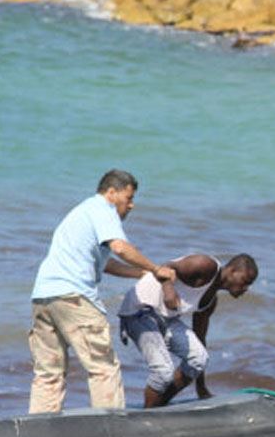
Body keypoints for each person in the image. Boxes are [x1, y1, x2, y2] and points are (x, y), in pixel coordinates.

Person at [27, 170, 173, 414]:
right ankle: (112, 427)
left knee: (48, 372)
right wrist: (156, 268)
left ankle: (38, 428)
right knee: (103, 367)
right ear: (111, 192)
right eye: (129, 198)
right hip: (74, 297)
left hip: (43, 296)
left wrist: (143, 274)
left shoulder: (82, 213)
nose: (132, 205)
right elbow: (120, 248)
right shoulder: (103, 210)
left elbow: (106, 264)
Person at [118, 253, 258, 408]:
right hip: (140, 308)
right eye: (245, 281)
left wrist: (201, 388)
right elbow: (166, 267)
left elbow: (200, 338)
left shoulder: (209, 302)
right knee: (163, 371)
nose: (246, 288)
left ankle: (158, 404)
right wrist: (168, 289)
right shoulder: (205, 265)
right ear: (232, 271)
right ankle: (147, 416)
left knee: (199, 359)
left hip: (166, 318)